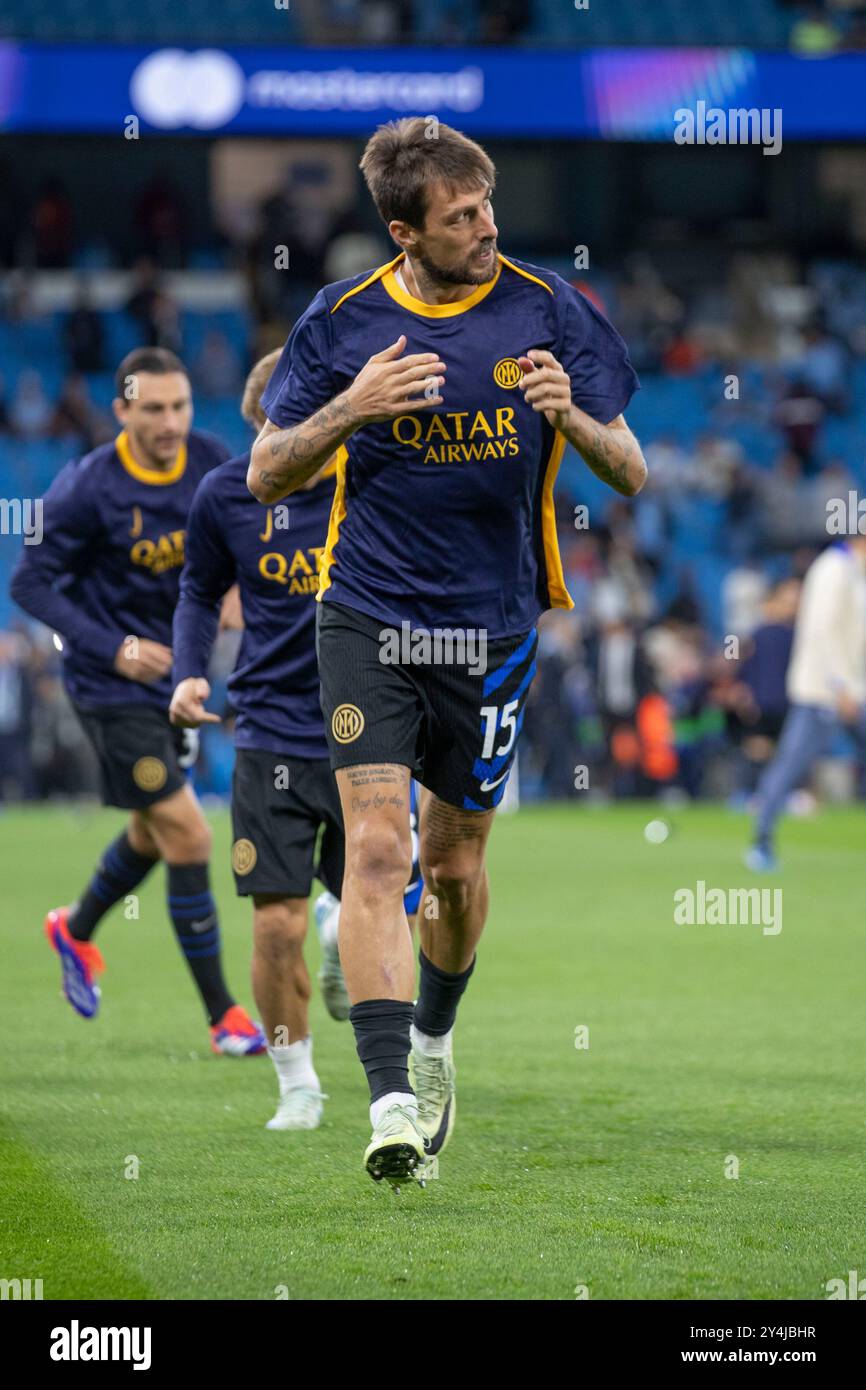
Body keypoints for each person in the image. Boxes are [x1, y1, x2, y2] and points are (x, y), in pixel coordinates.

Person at [247, 118, 645, 1187]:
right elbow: (267, 473)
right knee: (377, 851)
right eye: (460, 216)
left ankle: (430, 1037)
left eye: (487, 206)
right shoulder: (340, 322)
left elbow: (631, 471)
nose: (485, 226)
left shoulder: (548, 308)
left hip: (492, 629)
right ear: (401, 231)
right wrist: (351, 404)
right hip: (366, 614)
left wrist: (577, 418)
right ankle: (385, 1102)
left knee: (453, 865)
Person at [170, 350, 424, 1129]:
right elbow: (198, 589)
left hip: (371, 731)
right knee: (274, 919)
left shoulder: (379, 479)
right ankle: (298, 1084)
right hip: (271, 733)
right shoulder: (225, 495)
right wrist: (187, 673)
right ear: (265, 427)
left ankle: (343, 944)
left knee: (392, 905)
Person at [10, 347, 265, 1055]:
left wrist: (243, 584)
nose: (170, 421)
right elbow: (29, 584)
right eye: (152, 408)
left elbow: (240, 531)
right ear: (121, 411)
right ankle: (224, 1019)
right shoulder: (87, 488)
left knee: (155, 831)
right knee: (189, 832)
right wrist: (114, 645)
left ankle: (75, 928)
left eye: (179, 405)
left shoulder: (212, 459)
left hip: (174, 682)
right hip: (107, 687)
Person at [746, 539, 866, 871]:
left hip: (852, 688)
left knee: (789, 763)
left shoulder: (854, 572)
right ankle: (761, 843)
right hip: (824, 691)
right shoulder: (833, 569)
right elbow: (823, 631)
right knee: (790, 764)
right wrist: (840, 685)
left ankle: (761, 840)